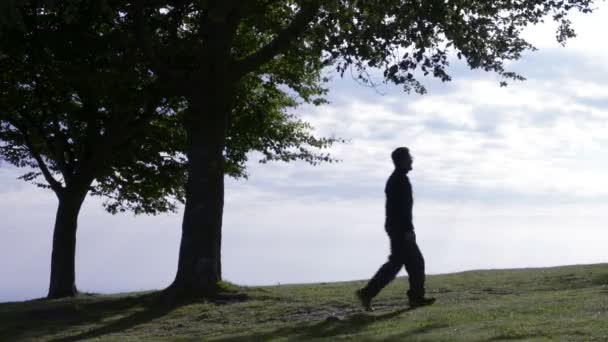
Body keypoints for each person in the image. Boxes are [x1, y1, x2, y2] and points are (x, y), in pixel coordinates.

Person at [356, 147, 435, 311]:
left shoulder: (398, 179)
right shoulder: (399, 180)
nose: (412, 159)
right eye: (409, 157)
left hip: (396, 228)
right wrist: (408, 231)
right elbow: (401, 210)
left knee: (402, 263)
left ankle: (413, 297)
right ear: (402, 160)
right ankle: (413, 297)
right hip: (400, 229)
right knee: (412, 262)